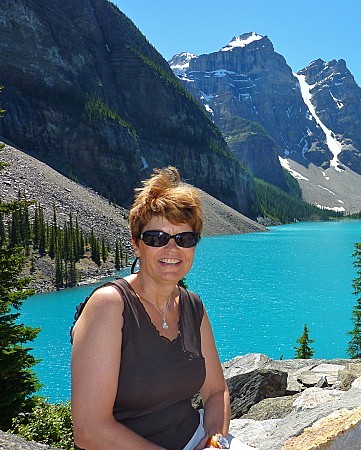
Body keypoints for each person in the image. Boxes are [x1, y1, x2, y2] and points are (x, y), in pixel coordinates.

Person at [71, 166, 237, 450]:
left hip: (195, 440)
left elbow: (215, 391)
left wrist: (214, 442)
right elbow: (89, 430)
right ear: (137, 245)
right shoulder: (111, 305)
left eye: (184, 239)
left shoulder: (192, 305)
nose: (172, 249)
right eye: (156, 238)